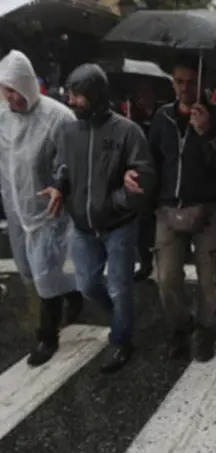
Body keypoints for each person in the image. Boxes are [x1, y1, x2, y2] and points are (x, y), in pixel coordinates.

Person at [40, 63, 155, 373]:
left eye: (78, 96)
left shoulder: (128, 131)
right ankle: (122, 315)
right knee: (88, 284)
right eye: (70, 95)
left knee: (120, 287)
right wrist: (59, 187)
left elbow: (143, 179)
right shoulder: (68, 130)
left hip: (119, 226)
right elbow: (62, 167)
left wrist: (112, 203)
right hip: (82, 227)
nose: (71, 101)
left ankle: (121, 340)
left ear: (96, 95)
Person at [148, 55, 216, 362]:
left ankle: (208, 332)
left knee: (211, 278)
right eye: (179, 81)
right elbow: (152, 161)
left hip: (210, 209)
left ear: (203, 83)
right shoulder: (162, 118)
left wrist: (207, 133)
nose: (185, 88)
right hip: (169, 209)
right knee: (166, 276)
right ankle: (180, 328)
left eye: (191, 82)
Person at [0, 50, 83, 367]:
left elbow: (71, 162)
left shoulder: (58, 118)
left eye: (15, 90)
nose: (11, 97)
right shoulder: (3, 116)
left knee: (46, 272)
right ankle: (72, 294)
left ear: (27, 85)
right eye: (5, 90)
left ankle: (47, 337)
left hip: (49, 213)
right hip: (16, 209)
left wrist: (61, 188)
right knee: (30, 272)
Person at [130, 79, 159, 282]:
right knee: (143, 223)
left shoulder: (162, 115)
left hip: (162, 173)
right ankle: (146, 263)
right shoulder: (132, 118)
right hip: (143, 175)